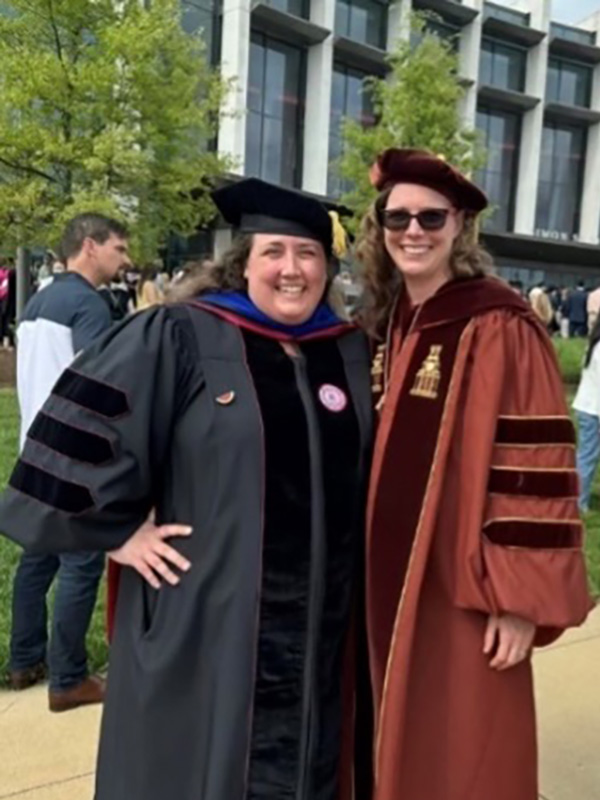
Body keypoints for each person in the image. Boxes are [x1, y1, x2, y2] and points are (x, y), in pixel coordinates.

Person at [0, 179, 373, 800]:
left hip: (321, 625)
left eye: (308, 255)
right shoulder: (180, 335)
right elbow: (76, 436)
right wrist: (115, 532)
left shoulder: (349, 352)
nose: (291, 269)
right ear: (243, 263)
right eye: (274, 252)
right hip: (206, 617)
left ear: (327, 269)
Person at [358, 148, 592, 800]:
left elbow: (535, 469)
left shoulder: (499, 325)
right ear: (378, 226)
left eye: (430, 218)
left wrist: (520, 601)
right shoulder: (387, 323)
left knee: (464, 747)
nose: (413, 231)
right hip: (382, 584)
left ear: (459, 225)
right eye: (396, 216)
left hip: (464, 584)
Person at [6, 213, 132, 713]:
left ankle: (24, 661)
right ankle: (69, 677)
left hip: (33, 447)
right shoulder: (88, 304)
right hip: (75, 453)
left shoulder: (39, 298)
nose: (126, 259)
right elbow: (101, 385)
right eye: (118, 248)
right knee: (81, 562)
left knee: (36, 560)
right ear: (89, 245)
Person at [573, 314, 600, 512]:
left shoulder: (593, 345)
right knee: (587, 456)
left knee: (585, 456)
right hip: (594, 409)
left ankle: (577, 499)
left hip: (586, 406)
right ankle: (578, 502)